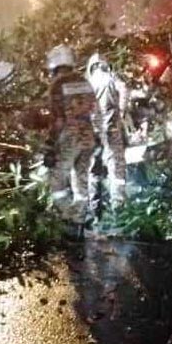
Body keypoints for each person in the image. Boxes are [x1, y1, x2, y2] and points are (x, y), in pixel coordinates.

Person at [44, 43, 100, 238]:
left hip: (69, 137)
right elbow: (94, 110)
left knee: (57, 181)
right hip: (88, 136)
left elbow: (57, 120)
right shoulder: (85, 82)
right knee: (81, 179)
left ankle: (67, 219)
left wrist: (50, 145)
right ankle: (80, 220)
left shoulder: (57, 85)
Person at [85, 53, 127, 222]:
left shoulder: (86, 84)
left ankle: (95, 215)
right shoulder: (111, 78)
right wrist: (122, 110)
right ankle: (119, 213)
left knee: (93, 173)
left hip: (91, 133)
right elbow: (123, 89)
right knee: (116, 172)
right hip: (111, 131)